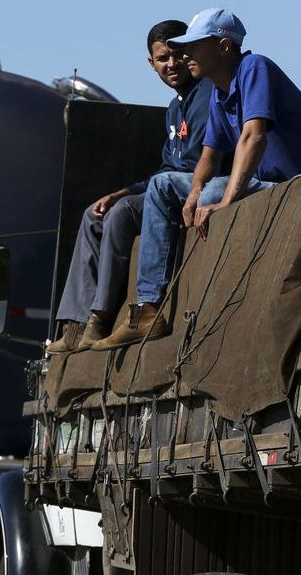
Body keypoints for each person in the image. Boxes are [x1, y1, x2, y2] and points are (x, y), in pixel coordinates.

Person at [97, 7, 301, 348]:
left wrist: (224, 201)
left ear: (224, 47)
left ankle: (209, 305)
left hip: (300, 186)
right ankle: (148, 308)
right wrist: (194, 192)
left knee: (209, 194)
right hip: (267, 186)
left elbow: (253, 137)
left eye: (194, 46)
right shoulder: (218, 91)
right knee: (164, 185)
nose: (185, 55)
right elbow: (209, 156)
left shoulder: (254, 68)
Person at [47, 19, 213, 353]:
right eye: (162, 58)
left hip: (197, 187)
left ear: (190, 53)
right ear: (152, 64)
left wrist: (129, 198)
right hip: (165, 188)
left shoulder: (208, 94)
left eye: (177, 54)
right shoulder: (174, 109)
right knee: (95, 214)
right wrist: (123, 191)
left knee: (121, 213)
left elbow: (200, 164)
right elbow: (167, 169)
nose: (171, 64)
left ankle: (101, 316)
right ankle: (75, 325)